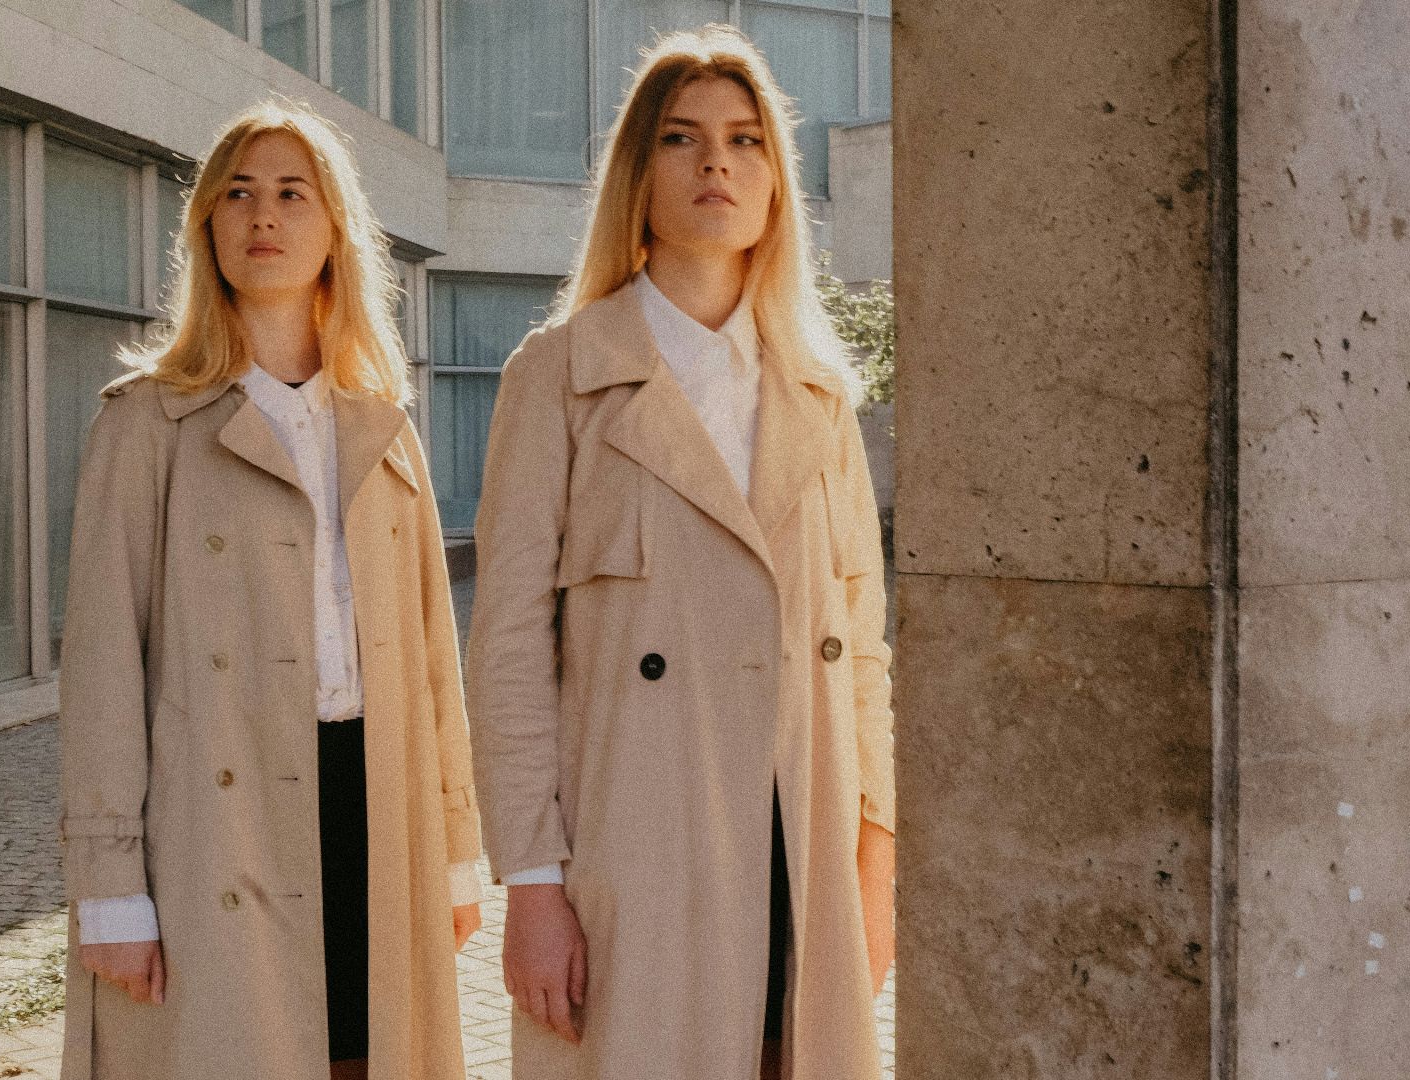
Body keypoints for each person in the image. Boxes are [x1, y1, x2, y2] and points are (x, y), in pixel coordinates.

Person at [465, 26, 895, 1080]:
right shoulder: (559, 375)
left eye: (747, 140)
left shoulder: (818, 391)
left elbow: (864, 647)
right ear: (637, 173)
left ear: (776, 181)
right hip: (637, 847)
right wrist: (532, 884)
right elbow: (509, 650)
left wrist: (880, 858)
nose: (717, 162)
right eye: (681, 137)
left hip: (804, 842)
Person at [56, 100, 483, 1080]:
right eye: (238, 193)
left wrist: (457, 849)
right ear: (205, 224)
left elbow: (433, 666)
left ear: (335, 229)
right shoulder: (145, 425)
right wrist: (110, 886)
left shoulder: (384, 427)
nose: (263, 214)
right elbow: (104, 669)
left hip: (376, 809)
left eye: (293, 194)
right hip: (218, 825)